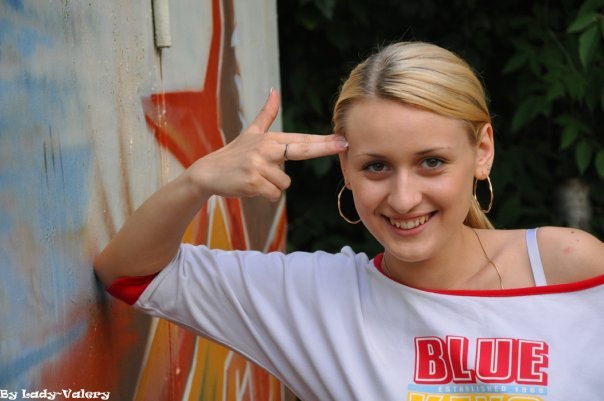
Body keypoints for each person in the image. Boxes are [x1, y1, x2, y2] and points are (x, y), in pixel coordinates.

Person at [94, 41, 604, 400]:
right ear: (346, 169)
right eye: (376, 166)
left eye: (431, 162)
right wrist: (197, 181)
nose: (403, 198)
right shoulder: (315, 298)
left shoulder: (565, 265)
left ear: (483, 151)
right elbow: (131, 274)